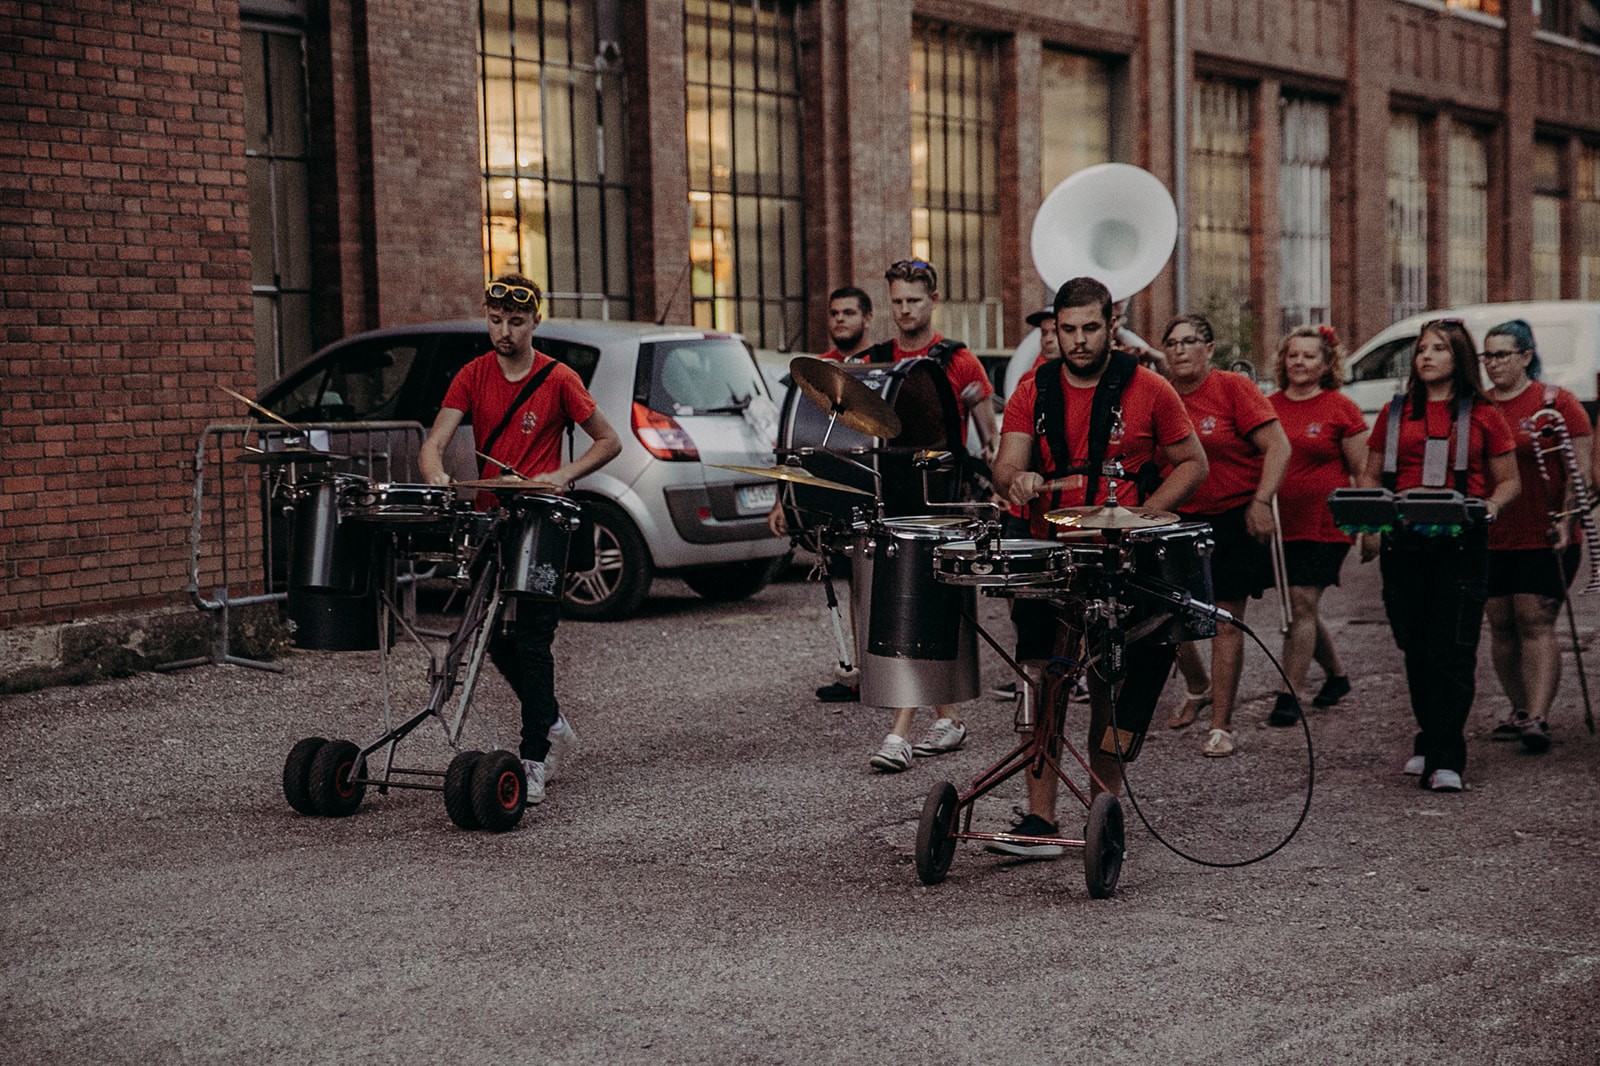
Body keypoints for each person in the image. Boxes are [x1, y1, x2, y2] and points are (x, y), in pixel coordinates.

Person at [989, 276, 1207, 853]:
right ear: (1054, 329)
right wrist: (1020, 479)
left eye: (1091, 328)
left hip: (1121, 559)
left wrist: (1144, 517)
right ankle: (1040, 820)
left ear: (1111, 325)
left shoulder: (1153, 389)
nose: (1080, 341)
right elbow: (1005, 469)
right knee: (1044, 678)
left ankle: (1101, 813)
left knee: (1114, 682)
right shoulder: (1032, 390)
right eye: (1068, 329)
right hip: (1052, 556)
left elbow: (1192, 464)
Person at [417, 274, 622, 803]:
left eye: (514, 322)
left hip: (540, 518)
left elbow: (609, 440)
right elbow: (434, 442)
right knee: (493, 639)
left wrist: (561, 474)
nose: (503, 331)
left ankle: (534, 758)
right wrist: (436, 471)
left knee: (532, 639)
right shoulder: (473, 373)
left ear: (535, 322)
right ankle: (551, 720)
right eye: (495, 320)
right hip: (492, 519)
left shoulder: (558, 378)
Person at [1356, 318, 1518, 793]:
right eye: (1422, 349)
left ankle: (1447, 755)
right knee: (1415, 643)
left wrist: (1491, 504)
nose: (1425, 356)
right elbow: (1369, 475)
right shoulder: (1396, 411)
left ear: (1459, 357)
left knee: (1452, 647)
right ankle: (1430, 736)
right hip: (1403, 539)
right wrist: (1370, 520)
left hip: (1461, 541)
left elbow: (1509, 481)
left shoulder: (1484, 413)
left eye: (1439, 349)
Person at [863, 259, 996, 772]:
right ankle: (949, 718)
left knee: (918, 611)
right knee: (915, 611)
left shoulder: (960, 361)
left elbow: (991, 443)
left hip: (944, 501)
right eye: (896, 301)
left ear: (933, 300)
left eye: (913, 301)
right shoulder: (875, 361)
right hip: (894, 497)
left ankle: (898, 734)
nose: (904, 310)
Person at [1160, 314, 1291, 757]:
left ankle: (1221, 724)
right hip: (1176, 519)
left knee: (1223, 620)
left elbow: (1278, 445)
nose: (1179, 350)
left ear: (1210, 349)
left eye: (1190, 341)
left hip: (1231, 516)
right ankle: (1198, 687)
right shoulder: (1161, 394)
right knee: (1165, 614)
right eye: (1172, 343)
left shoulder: (1233, 388)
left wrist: (1260, 501)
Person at [1479, 318, 1591, 753]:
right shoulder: (1481, 406)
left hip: (1546, 533)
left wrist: (1567, 519)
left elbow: (1580, 472)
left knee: (1535, 620)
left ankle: (1539, 717)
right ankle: (1520, 708)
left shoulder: (1557, 403)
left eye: (1501, 355)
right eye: (1487, 355)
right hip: (1493, 534)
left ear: (1526, 356)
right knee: (1500, 624)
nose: (1492, 364)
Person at [768, 286, 876, 704]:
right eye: (833, 313)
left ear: (867, 318)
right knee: (852, 582)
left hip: (872, 486)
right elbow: (793, 440)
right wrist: (784, 499)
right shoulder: (812, 371)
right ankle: (862, 671)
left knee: (872, 584)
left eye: (849, 313)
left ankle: (881, 670)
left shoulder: (881, 365)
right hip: (831, 493)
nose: (839, 320)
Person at [1265, 325, 1369, 726]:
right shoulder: (1267, 405)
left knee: (1302, 601)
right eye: (1293, 355)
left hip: (1325, 522)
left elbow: (1362, 470)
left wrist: (1367, 525)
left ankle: (1288, 693)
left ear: (1326, 364)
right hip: (1280, 523)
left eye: (1309, 356)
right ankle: (1337, 676)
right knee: (1299, 605)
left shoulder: (1340, 408)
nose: (1299, 363)